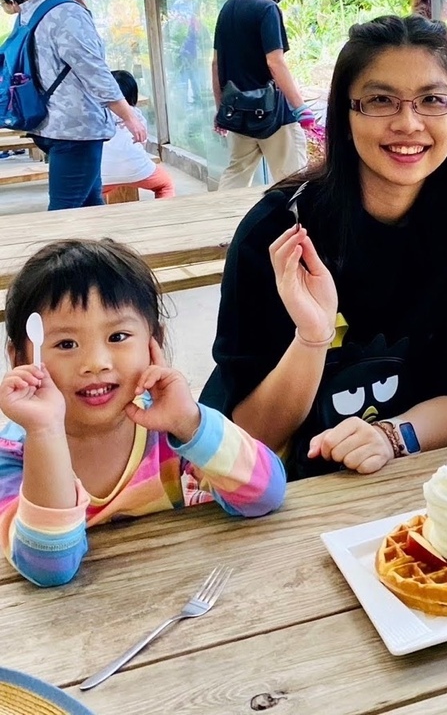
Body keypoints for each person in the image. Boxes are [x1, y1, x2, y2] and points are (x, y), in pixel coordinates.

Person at [200, 14, 447, 480]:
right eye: (380, 100)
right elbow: (248, 436)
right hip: (282, 492)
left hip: (403, 481)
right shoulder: (278, 233)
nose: (408, 123)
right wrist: (312, 339)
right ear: (345, 117)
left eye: (432, 100)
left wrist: (392, 436)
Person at [0, 238, 286, 587]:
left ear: (154, 343)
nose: (96, 363)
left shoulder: (171, 430)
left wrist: (190, 422)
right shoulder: (13, 457)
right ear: (21, 359)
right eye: (66, 344)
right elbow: (49, 568)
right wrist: (45, 432)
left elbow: (266, 495)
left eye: (118, 336)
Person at [20, 0, 146, 210]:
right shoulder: (68, 12)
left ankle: (100, 240)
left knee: (91, 203)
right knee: (65, 210)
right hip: (76, 126)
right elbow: (93, 70)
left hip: (46, 119)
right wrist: (129, 115)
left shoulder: (30, 9)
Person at [212, 0, 311, 190]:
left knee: (234, 179)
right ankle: (296, 216)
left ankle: (222, 214)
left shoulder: (227, 9)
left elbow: (215, 64)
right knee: (294, 181)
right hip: (274, 115)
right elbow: (275, 62)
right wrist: (300, 108)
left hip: (239, 112)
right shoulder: (267, 9)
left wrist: (221, 110)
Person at [101, 70, 175, 200]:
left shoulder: (96, 116)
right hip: (138, 169)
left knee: (92, 194)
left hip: (103, 173)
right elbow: (142, 142)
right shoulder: (136, 115)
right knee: (165, 185)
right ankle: (165, 210)